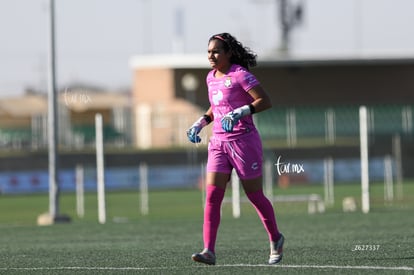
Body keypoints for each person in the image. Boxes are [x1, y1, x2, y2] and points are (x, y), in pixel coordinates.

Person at [187, 32, 284, 265]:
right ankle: (208, 250)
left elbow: (265, 101)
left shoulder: (241, 75)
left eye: (216, 51)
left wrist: (240, 112)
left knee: (254, 195)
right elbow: (216, 105)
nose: (211, 55)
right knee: (212, 196)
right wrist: (201, 122)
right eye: (209, 51)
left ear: (228, 53)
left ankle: (276, 238)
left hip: (243, 143)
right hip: (218, 144)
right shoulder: (210, 77)